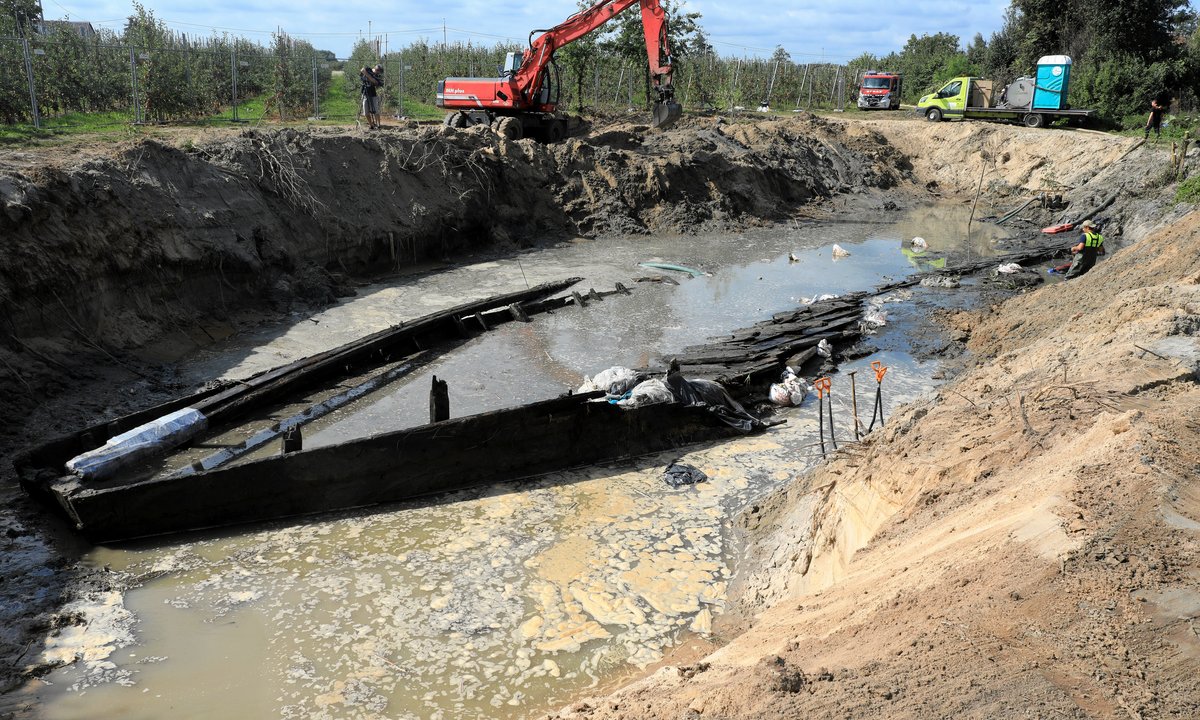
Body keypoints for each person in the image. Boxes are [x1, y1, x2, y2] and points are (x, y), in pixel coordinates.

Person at [360, 65, 383, 129]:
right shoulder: (368, 69)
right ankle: (371, 125)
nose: (378, 73)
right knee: (366, 112)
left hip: (373, 94)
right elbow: (362, 70)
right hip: (365, 93)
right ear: (376, 69)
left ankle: (378, 125)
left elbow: (375, 82)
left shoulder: (377, 76)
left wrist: (367, 75)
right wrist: (370, 77)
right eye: (378, 71)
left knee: (376, 110)